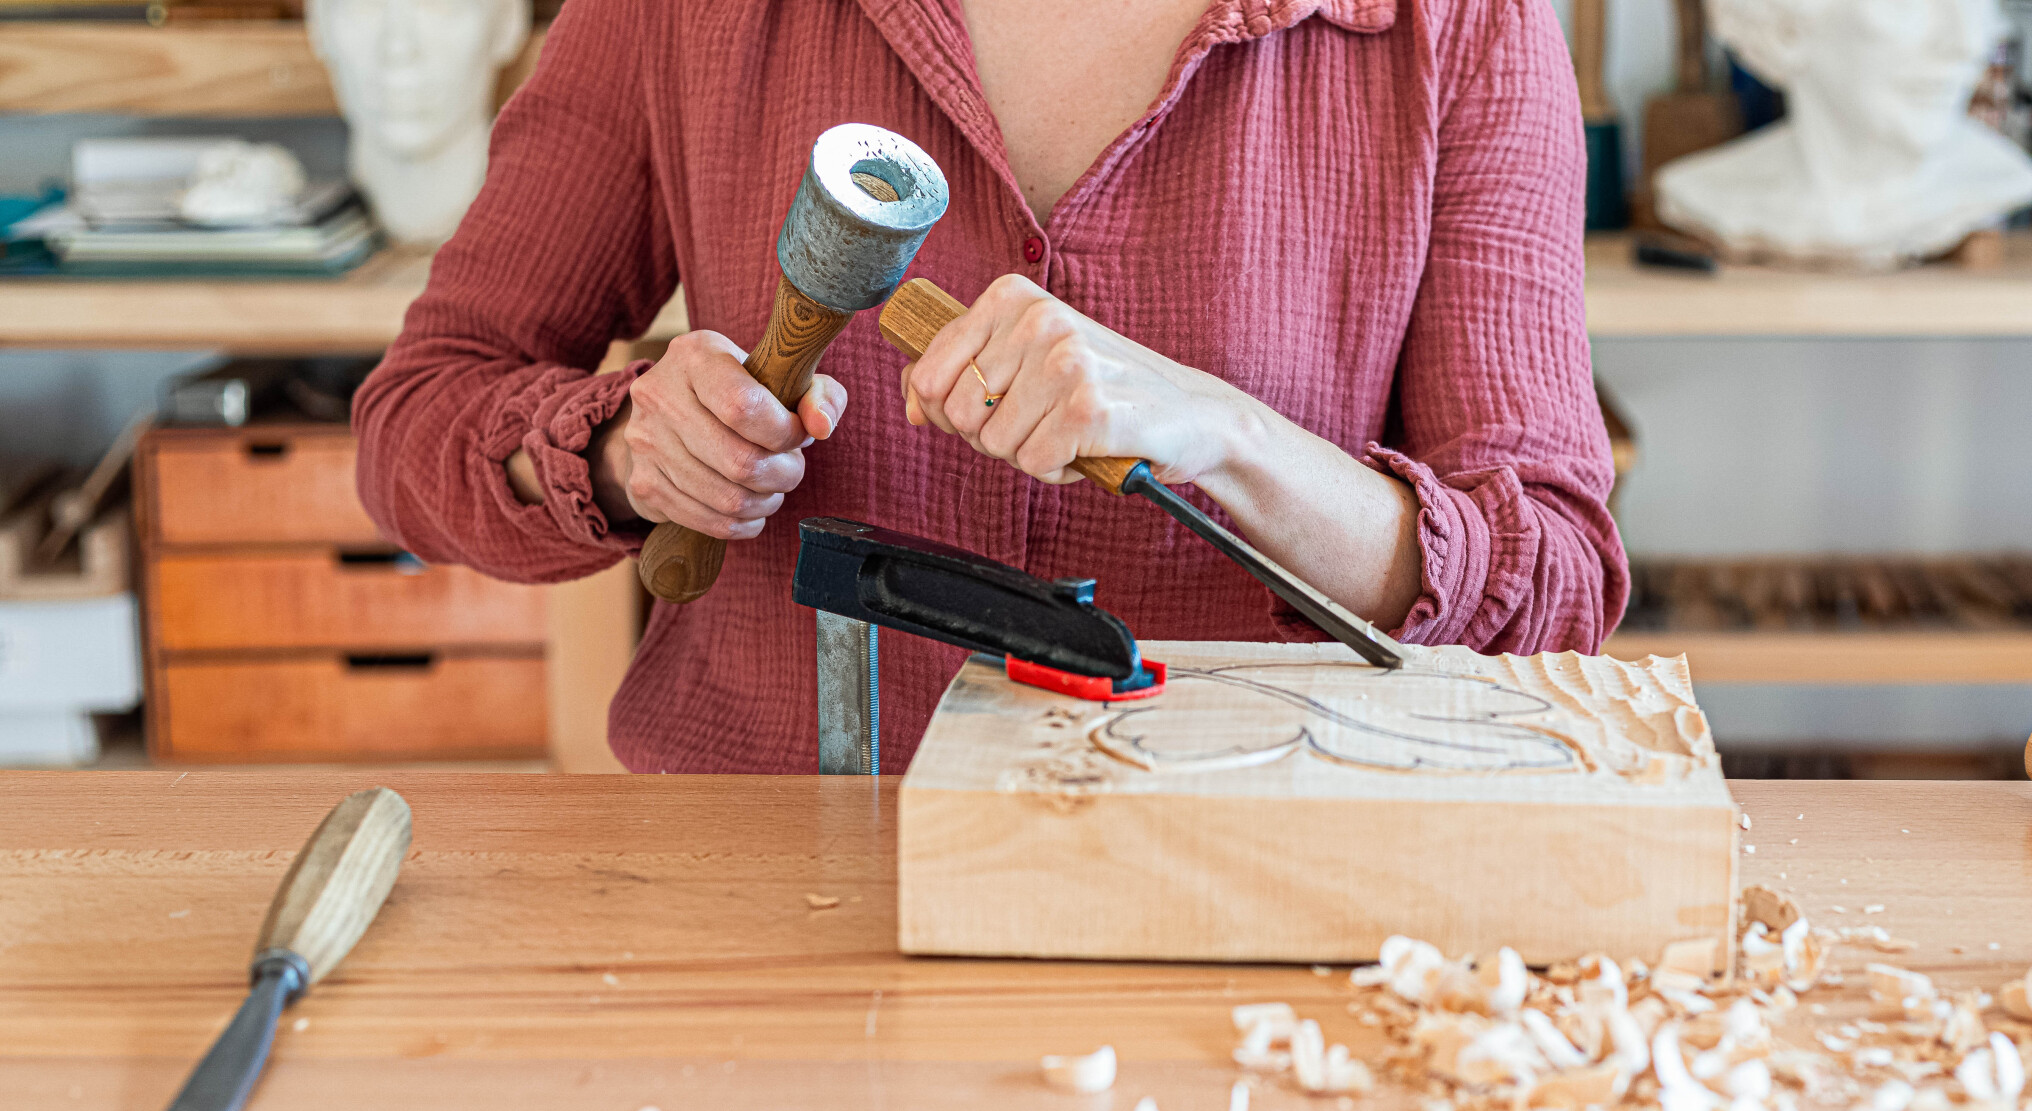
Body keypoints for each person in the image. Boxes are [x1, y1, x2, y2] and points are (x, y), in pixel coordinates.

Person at [354, 0, 1627, 773]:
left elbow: (1555, 583)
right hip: (772, 877)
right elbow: (418, 420)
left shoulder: (1456, 32)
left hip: (1253, 879)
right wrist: (623, 447)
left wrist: (1230, 437)